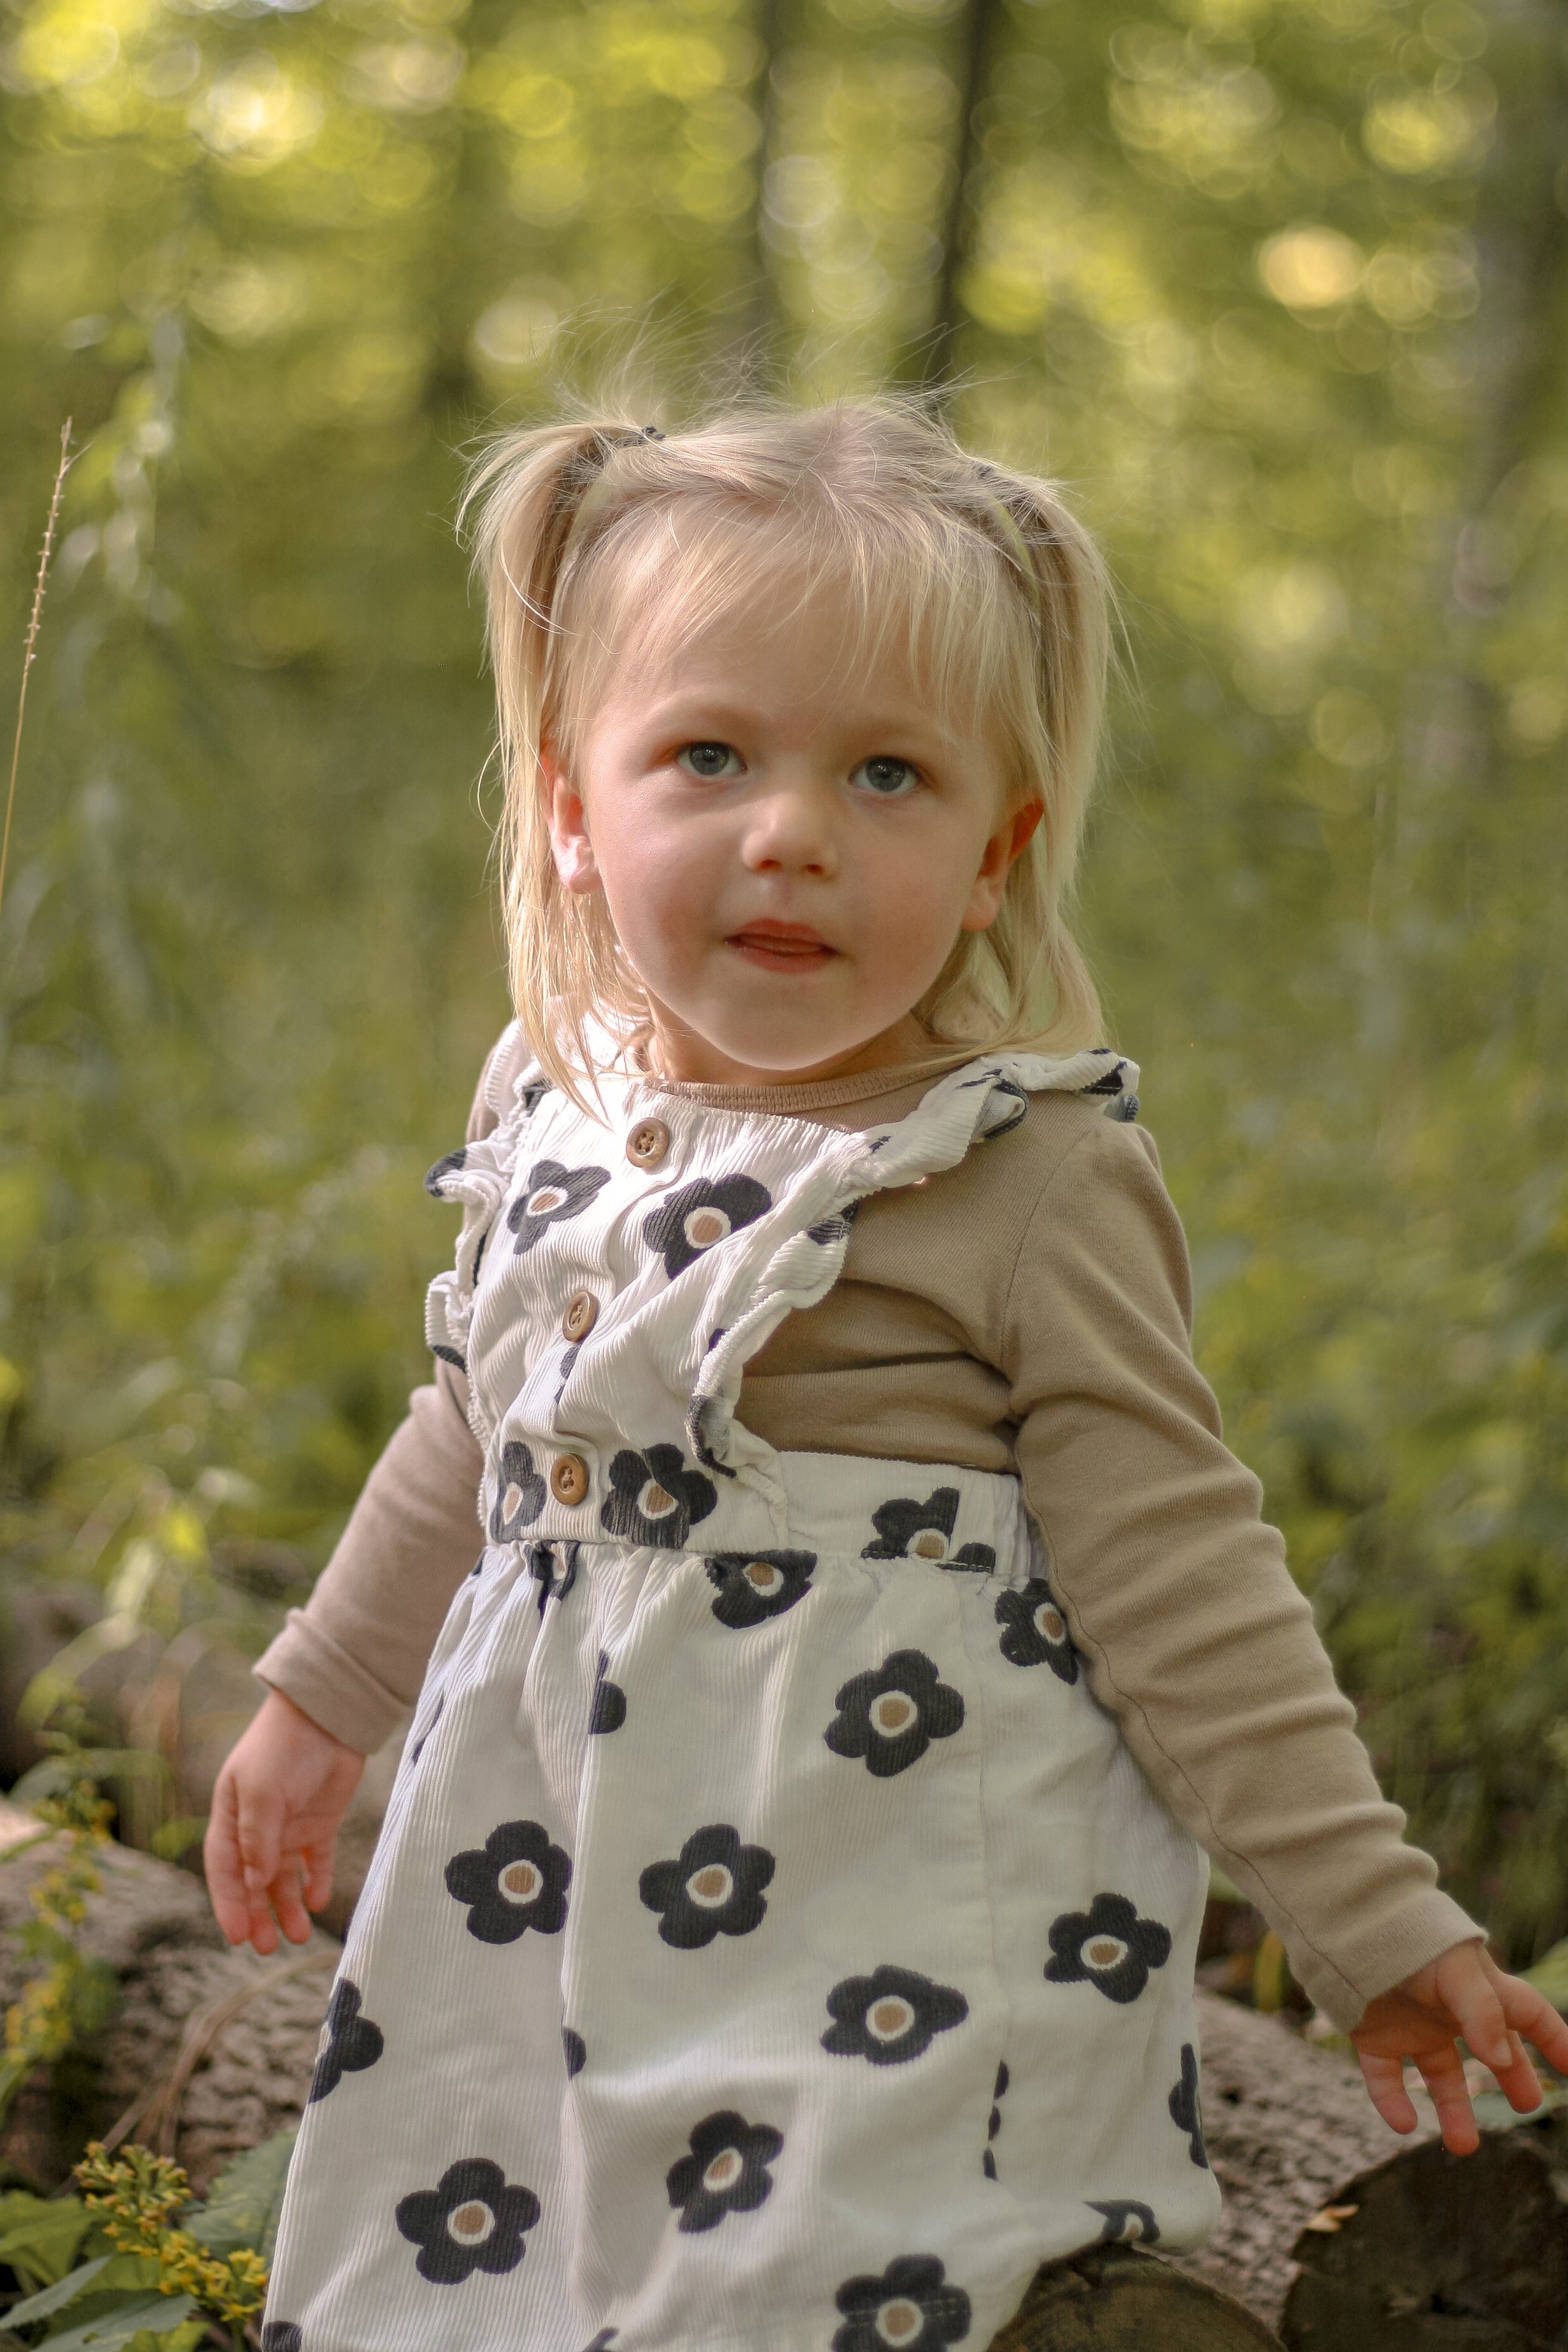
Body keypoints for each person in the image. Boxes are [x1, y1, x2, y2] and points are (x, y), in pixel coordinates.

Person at [207, 401, 1568, 2352]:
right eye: (708, 755)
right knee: (479, 2260)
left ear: (1001, 848)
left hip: (885, 1921)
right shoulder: (563, 1104)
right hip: (547, 1874)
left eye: (889, 775)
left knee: (802, 2291)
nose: (794, 833)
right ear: (573, 807)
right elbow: (482, 1424)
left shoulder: (1019, 1171)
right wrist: (318, 1696)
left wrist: (1374, 1922)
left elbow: (1184, 1577)